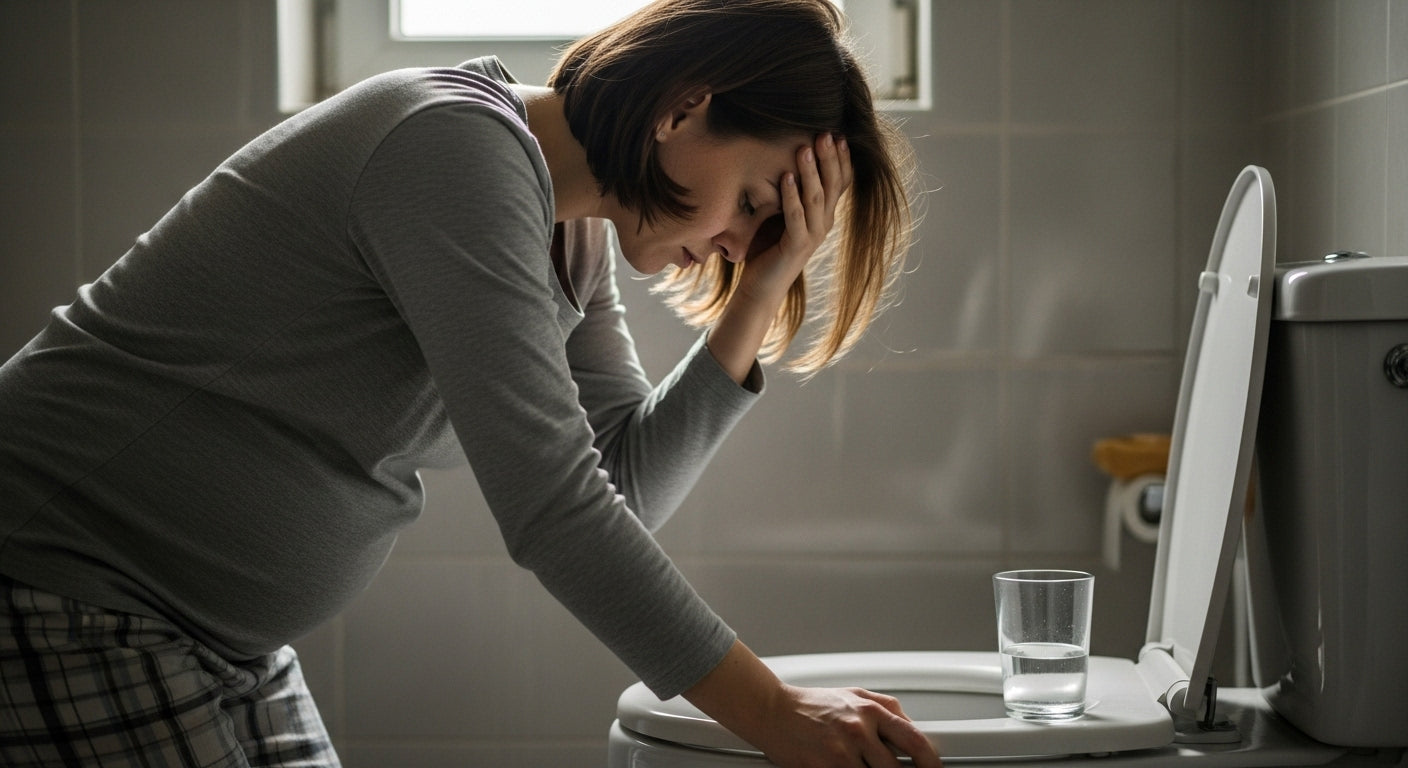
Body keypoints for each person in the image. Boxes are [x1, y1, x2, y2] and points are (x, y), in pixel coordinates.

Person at [0, 0, 937, 765]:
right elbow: (557, 513)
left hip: (210, 639)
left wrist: (763, 284)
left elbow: (627, 489)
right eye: (754, 205)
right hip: (68, 591)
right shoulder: (452, 149)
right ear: (683, 110)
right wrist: (770, 711)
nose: (739, 241)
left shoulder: (568, 231)